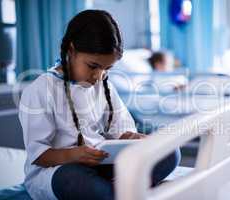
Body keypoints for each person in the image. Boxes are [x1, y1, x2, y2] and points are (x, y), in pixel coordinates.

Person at [19, 10, 181, 200]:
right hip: (59, 170)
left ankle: (112, 192)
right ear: (71, 50)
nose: (98, 76)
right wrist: (75, 155)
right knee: (76, 180)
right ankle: (120, 191)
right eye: (93, 66)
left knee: (171, 153)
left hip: (100, 163)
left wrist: (130, 138)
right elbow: (39, 155)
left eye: (107, 69)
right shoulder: (41, 89)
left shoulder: (104, 86)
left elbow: (119, 129)